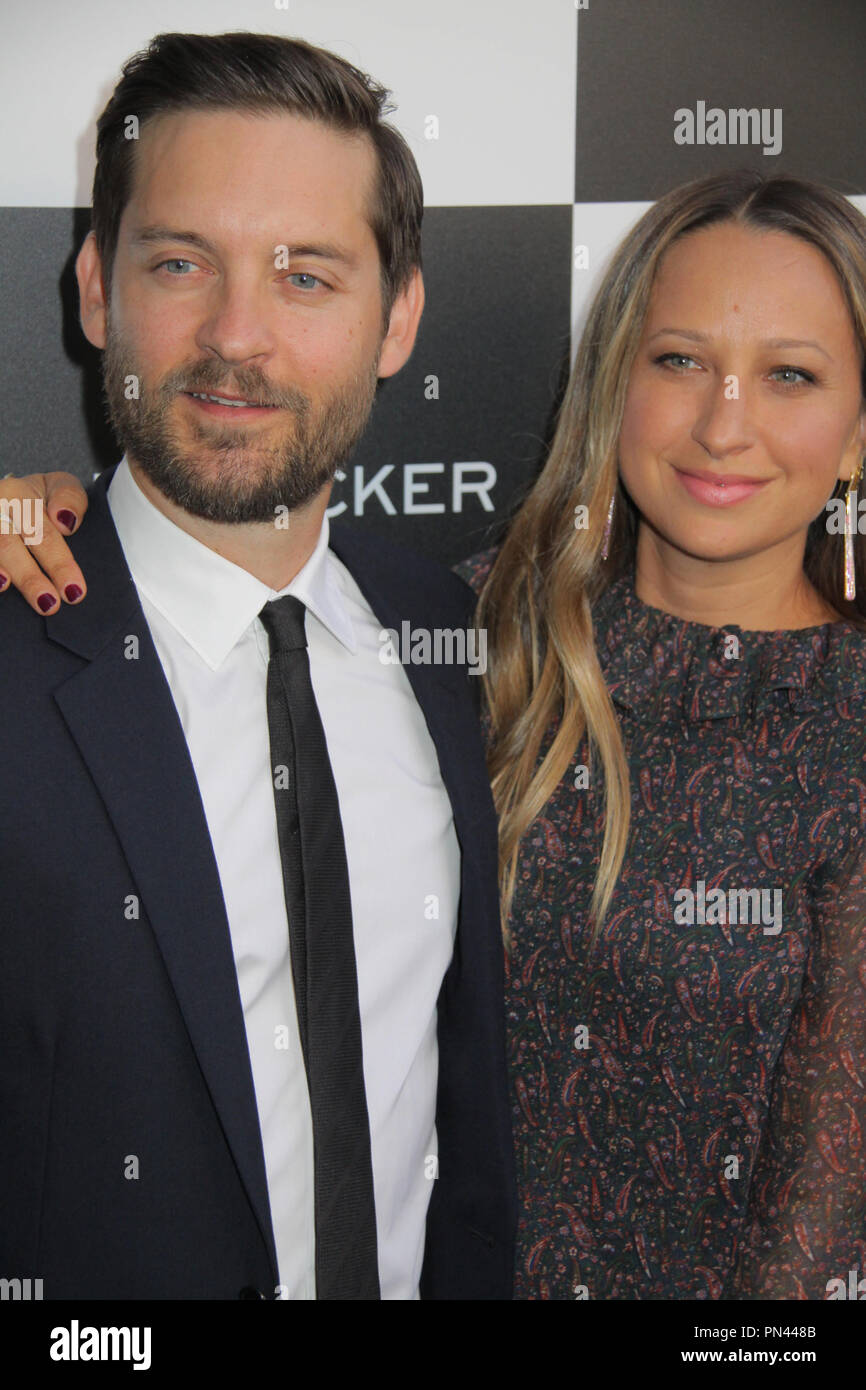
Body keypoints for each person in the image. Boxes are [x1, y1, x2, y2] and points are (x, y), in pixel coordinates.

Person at [10, 162, 866, 1300]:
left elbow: (813, 1230)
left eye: (789, 376)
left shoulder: (843, 728)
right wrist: (47, 515)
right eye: (677, 360)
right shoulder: (460, 636)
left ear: (857, 431)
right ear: (614, 378)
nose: (723, 423)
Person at [0, 31, 515, 1301]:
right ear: (94, 292)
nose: (236, 336)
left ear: (395, 320)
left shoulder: (449, 635)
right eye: (180, 262)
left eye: (305, 276)